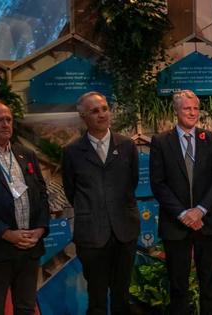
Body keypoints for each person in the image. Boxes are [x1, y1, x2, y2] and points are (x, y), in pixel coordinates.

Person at [62, 92, 140, 315]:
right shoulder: (72, 152)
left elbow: (131, 183)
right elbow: (71, 191)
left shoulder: (126, 146)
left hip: (124, 232)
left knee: (121, 296)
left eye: (104, 108)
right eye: (95, 111)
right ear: (83, 116)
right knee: (96, 299)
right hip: (91, 236)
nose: (102, 114)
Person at [150, 90, 212, 315]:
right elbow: (158, 183)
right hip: (176, 226)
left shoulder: (210, 139)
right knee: (178, 287)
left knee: (209, 285)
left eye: (195, 108)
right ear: (176, 111)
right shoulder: (161, 141)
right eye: (186, 108)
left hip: (207, 223)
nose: (192, 113)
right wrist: (183, 214)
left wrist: (200, 210)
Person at [0, 101, 50, 314]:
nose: (6, 124)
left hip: (29, 248)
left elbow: (43, 195)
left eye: (9, 119)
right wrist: (6, 233)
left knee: (26, 308)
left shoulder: (25, 154)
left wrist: (41, 228)